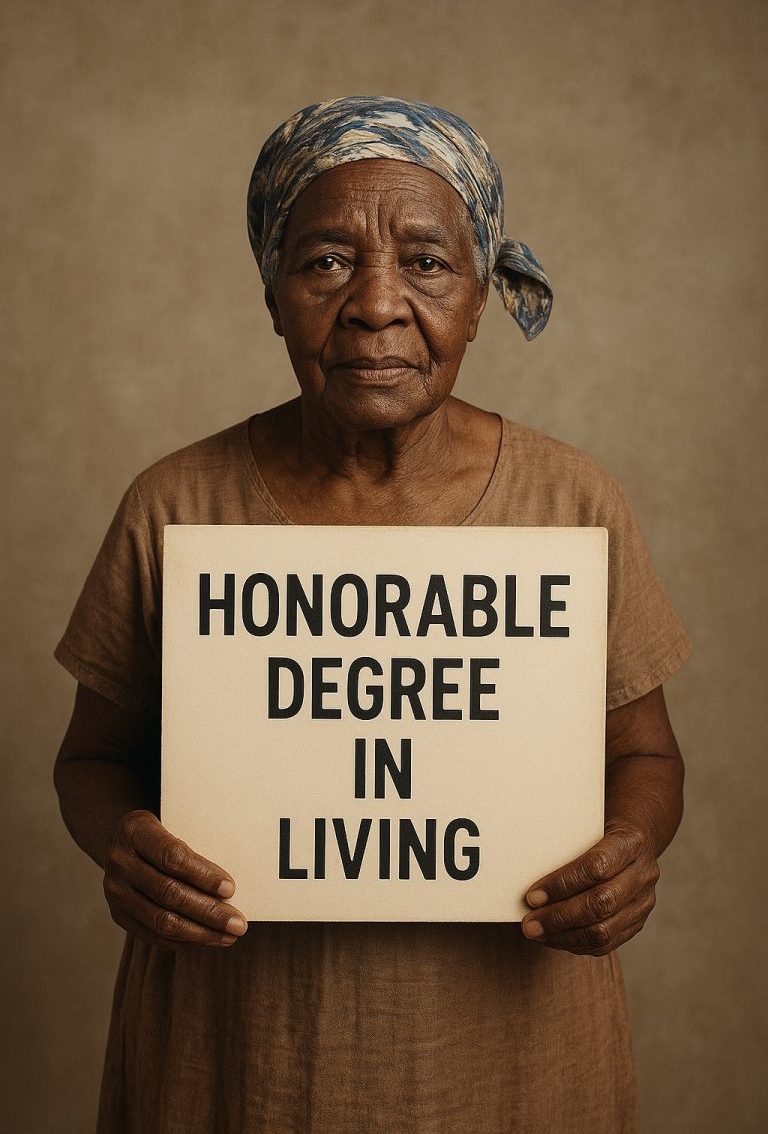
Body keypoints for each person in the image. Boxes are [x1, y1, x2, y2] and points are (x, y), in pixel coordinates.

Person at [54, 96, 690, 1133]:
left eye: (427, 263)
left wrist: (630, 847)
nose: (376, 306)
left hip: (514, 1061)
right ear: (271, 293)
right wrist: (119, 841)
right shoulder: (174, 505)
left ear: (482, 293)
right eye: (326, 263)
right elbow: (91, 760)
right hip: (235, 1061)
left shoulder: (574, 504)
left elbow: (649, 756)